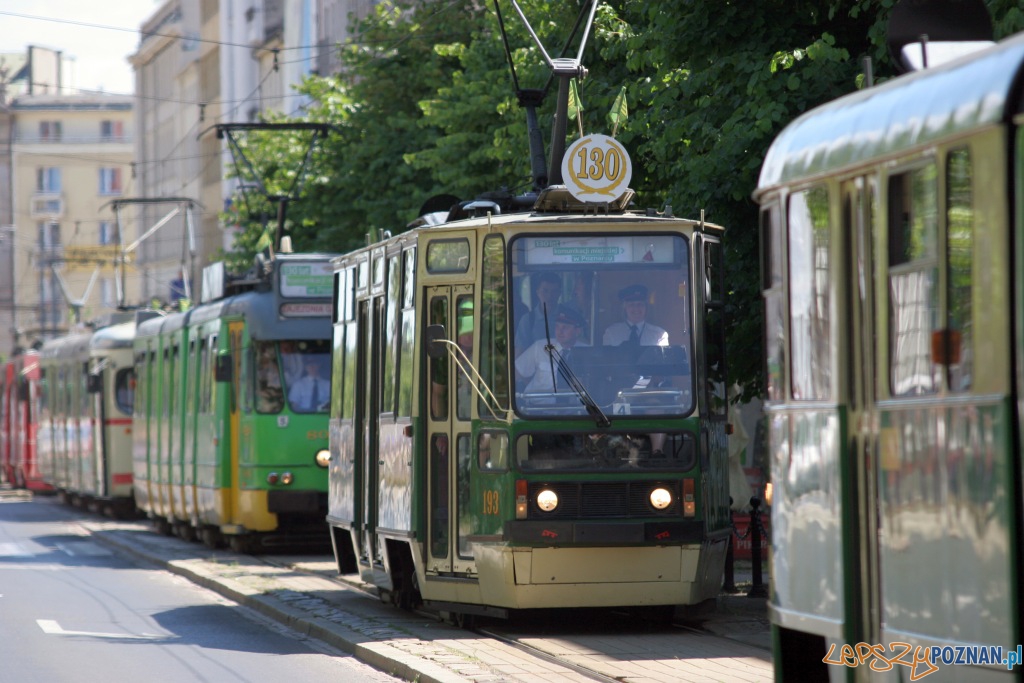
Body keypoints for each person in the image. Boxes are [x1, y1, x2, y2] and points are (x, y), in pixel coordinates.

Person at [515, 304, 587, 393]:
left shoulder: (587, 352)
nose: (560, 331)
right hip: (537, 405)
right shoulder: (540, 347)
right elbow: (518, 371)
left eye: (565, 327)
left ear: (578, 331)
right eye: (557, 326)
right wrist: (533, 390)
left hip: (576, 405)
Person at [602, 284, 669, 347]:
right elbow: (607, 358)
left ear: (646, 307)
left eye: (640, 304)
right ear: (625, 308)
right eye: (632, 305)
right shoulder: (612, 333)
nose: (636, 308)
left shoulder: (659, 334)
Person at [514, 272, 563, 350]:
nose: (549, 296)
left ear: (559, 293)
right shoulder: (528, 320)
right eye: (545, 291)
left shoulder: (569, 316)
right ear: (537, 292)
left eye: (554, 291)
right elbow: (520, 353)